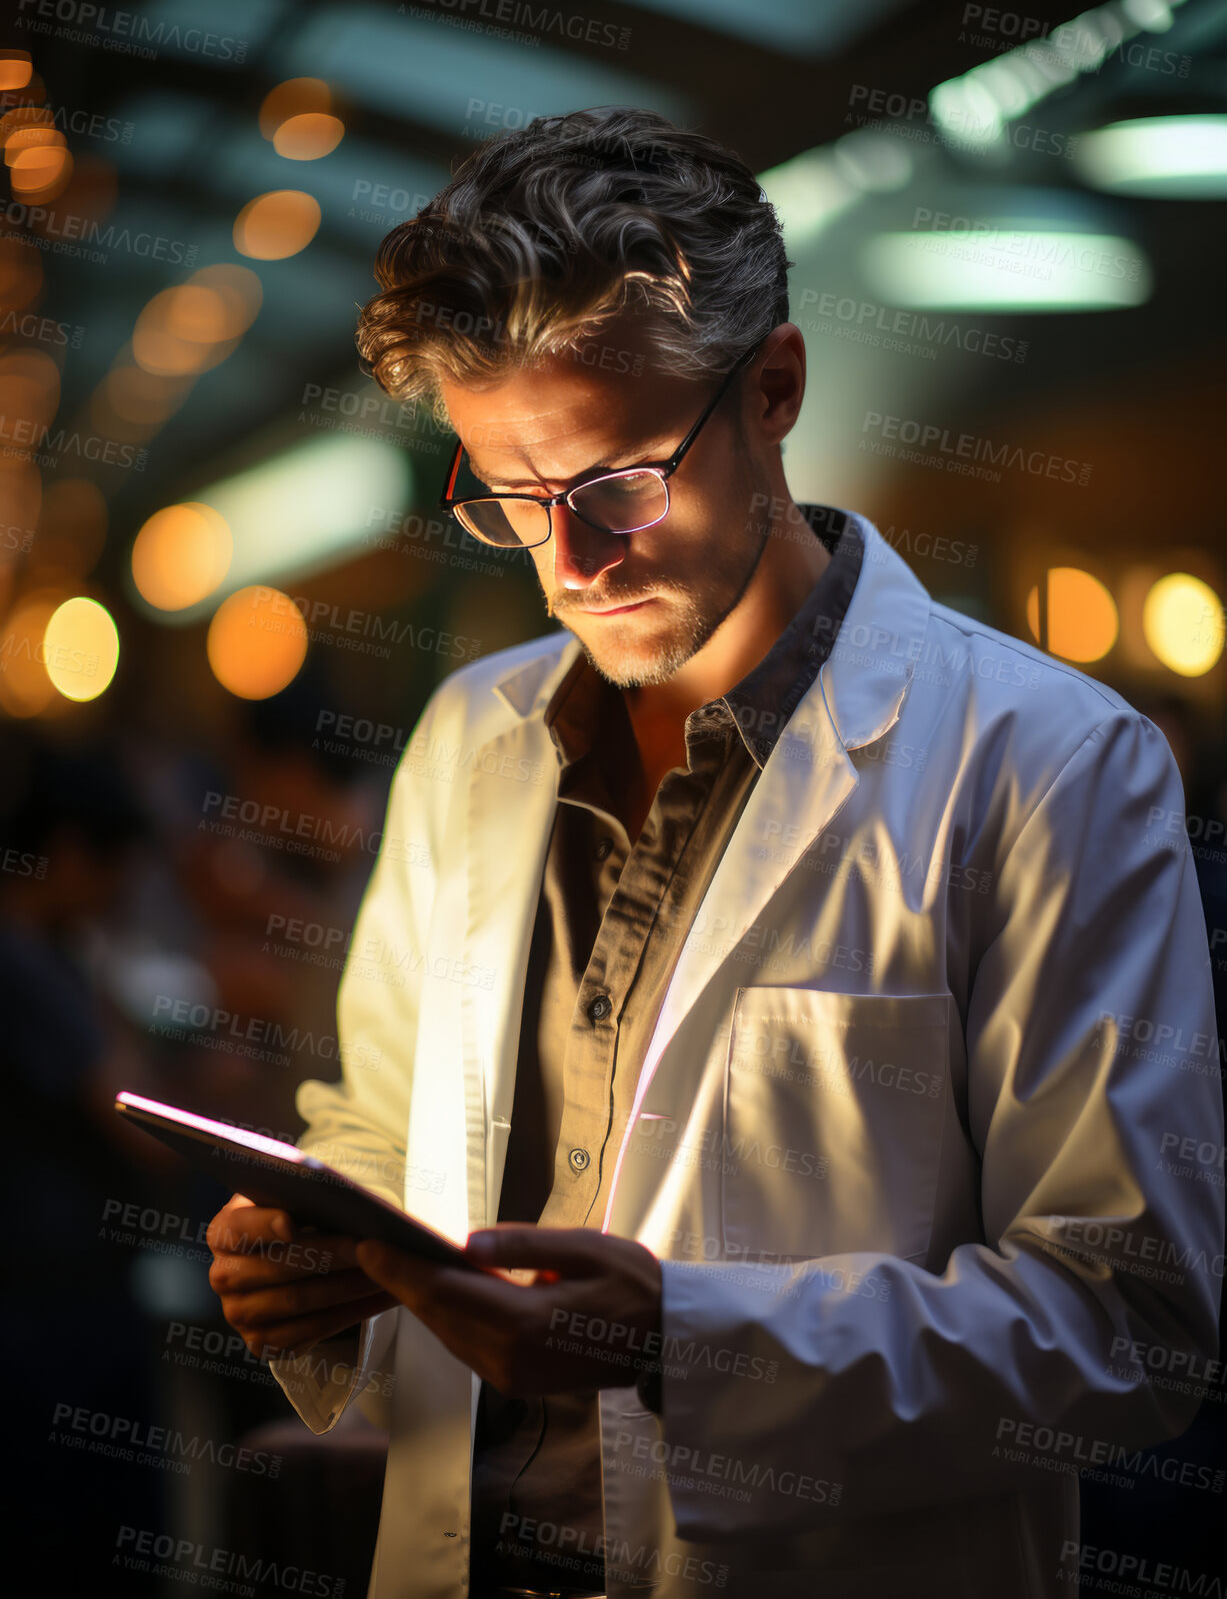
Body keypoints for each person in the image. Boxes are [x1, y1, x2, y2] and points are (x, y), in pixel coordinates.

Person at [205, 106, 1223, 1599]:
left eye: (616, 484)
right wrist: (321, 1261)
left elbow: (1128, 1318)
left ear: (778, 389)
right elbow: (382, 1127)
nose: (572, 561)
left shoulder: (1051, 768)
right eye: (511, 498)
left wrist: (683, 1341)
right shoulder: (466, 740)